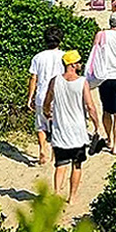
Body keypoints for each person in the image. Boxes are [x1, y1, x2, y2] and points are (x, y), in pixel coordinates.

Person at [42, 50, 102, 202]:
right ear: (72, 64)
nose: (80, 64)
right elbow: (90, 106)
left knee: (60, 165)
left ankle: (56, 193)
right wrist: (96, 124)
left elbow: (47, 101)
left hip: (60, 129)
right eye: (78, 62)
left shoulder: (55, 81)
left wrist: (47, 113)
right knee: (77, 165)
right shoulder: (82, 82)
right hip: (78, 131)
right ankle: (72, 196)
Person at [87, 12, 116, 155]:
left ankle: (109, 139)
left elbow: (95, 51)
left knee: (107, 110)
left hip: (104, 77)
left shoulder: (101, 35)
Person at [27, 26, 66, 166]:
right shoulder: (64, 56)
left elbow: (33, 78)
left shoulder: (38, 57)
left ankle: (42, 149)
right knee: (57, 125)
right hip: (59, 95)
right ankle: (54, 155)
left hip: (41, 94)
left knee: (40, 125)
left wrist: (30, 97)